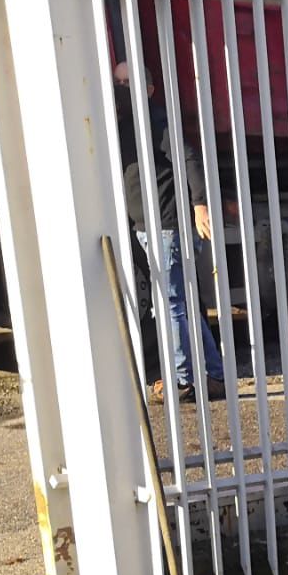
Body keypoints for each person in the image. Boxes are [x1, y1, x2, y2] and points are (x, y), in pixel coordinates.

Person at [114, 60, 227, 404]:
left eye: (127, 83)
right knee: (181, 303)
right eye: (118, 82)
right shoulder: (125, 122)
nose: (121, 89)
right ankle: (215, 376)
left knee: (171, 302)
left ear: (148, 90)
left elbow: (187, 157)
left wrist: (199, 204)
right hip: (149, 225)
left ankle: (183, 381)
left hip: (164, 224)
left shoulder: (155, 119)